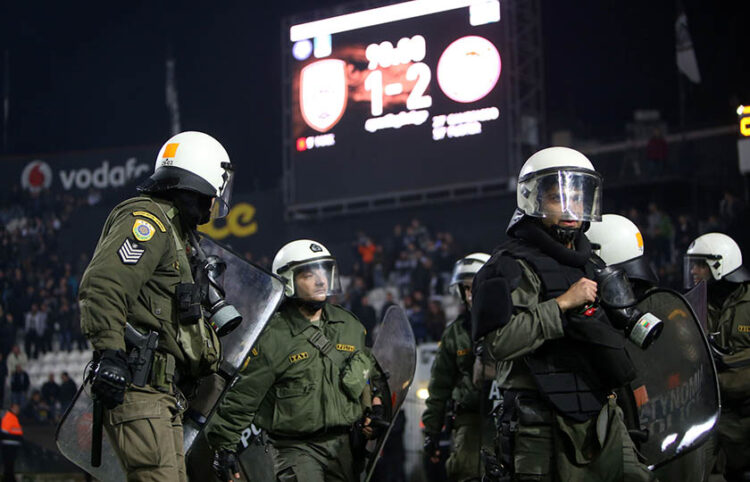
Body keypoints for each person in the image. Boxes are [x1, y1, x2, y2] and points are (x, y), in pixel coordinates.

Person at [472, 147, 656, 481]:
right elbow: (498, 344)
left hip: (601, 415)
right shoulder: (509, 266)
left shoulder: (592, 263)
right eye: (559, 198)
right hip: (539, 425)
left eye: (579, 195)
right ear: (534, 201)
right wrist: (560, 306)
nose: (572, 207)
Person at [78, 131, 235, 481]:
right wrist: (111, 355)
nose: (216, 200)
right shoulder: (148, 222)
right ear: (203, 179)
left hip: (162, 394)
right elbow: (103, 285)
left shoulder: (177, 234)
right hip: (140, 389)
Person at [206, 239, 385, 482]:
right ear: (288, 280)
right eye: (309, 275)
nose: (321, 281)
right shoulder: (272, 337)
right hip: (295, 449)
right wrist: (224, 448)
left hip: (345, 447)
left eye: (324, 272)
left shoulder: (350, 326)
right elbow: (244, 397)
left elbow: (370, 373)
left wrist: (376, 405)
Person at [685, 232, 750, 480]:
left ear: (719, 265)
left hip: (744, 413)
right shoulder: (692, 304)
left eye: (700, 265)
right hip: (706, 414)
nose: (694, 271)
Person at [422, 252, 490, 482]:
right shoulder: (455, 333)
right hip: (469, 420)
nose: (471, 295)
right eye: (466, 289)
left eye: (475, 287)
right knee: (466, 473)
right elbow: (440, 386)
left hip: (508, 418)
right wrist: (431, 431)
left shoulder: (515, 323)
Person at [1, 403, 23, 480]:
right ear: (12, 408)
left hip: (12, 445)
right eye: (16, 408)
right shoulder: (9, 417)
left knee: (10, 465)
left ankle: (9, 478)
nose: (18, 410)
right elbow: (4, 432)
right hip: (9, 445)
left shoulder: (13, 417)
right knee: (9, 465)